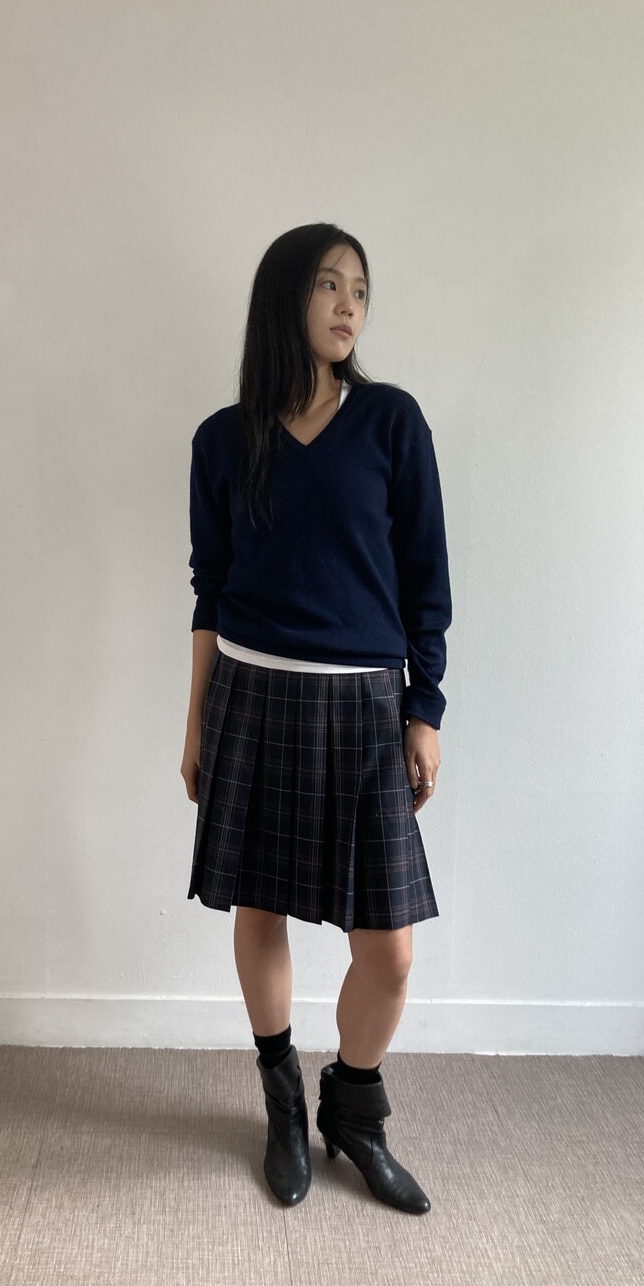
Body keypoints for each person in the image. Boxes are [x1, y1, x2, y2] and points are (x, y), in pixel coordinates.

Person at [181, 223, 451, 1216]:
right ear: (284, 297)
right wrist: (194, 724)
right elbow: (210, 590)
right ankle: (283, 1103)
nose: (349, 306)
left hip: (367, 704)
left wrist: (424, 707)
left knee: (389, 950)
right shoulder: (223, 439)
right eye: (330, 285)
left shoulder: (389, 422)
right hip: (252, 695)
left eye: (361, 291)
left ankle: (355, 1109)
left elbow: (425, 579)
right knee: (260, 909)